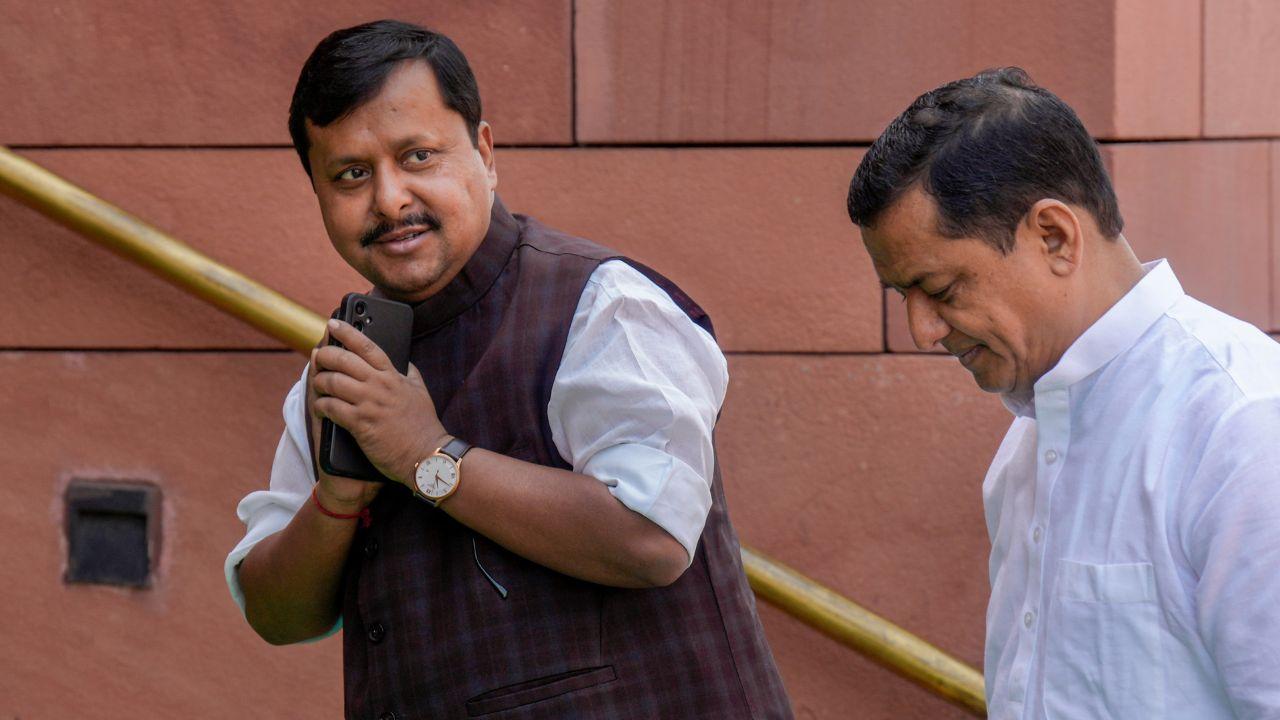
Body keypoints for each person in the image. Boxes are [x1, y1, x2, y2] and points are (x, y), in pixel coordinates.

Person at [223, 19, 792, 720]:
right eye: (351, 175)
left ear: (485, 153)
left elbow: (653, 537)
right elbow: (278, 616)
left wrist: (424, 455)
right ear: (317, 193)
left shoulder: (602, 304)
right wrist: (338, 501)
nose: (390, 199)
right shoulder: (342, 372)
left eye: (419, 156)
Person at [846, 68, 1280, 720]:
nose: (921, 330)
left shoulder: (1242, 427)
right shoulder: (1028, 444)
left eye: (939, 290)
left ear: (1054, 235)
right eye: (902, 297)